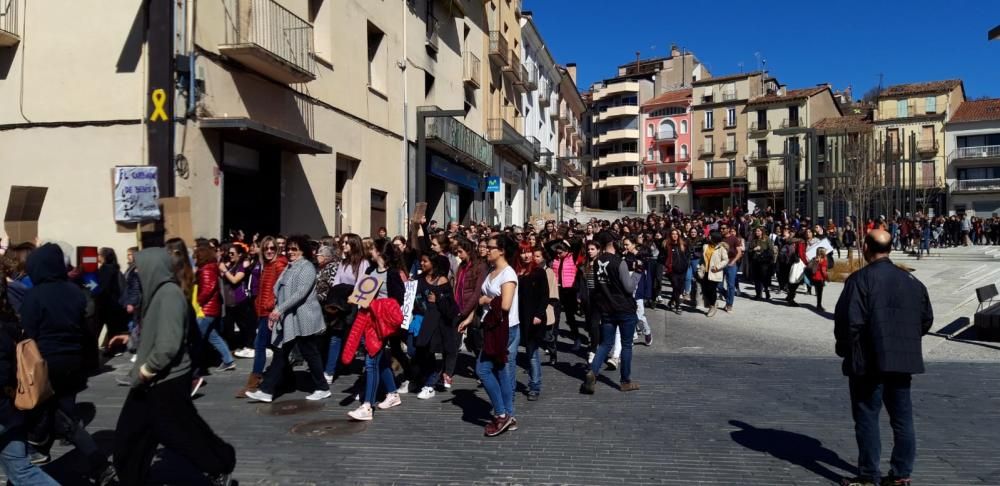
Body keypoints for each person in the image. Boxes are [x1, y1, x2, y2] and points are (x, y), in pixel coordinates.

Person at [112, 248, 236, 486]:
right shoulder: (158, 293)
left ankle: (219, 465)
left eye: (140, 266)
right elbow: (158, 332)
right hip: (155, 381)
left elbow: (168, 345)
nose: (136, 270)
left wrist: (147, 370)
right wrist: (130, 340)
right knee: (136, 434)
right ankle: (133, 476)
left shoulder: (168, 295)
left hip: (163, 380)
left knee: (179, 434)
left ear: (153, 267)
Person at [834, 229, 933, 486]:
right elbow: (925, 320)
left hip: (868, 361)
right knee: (902, 419)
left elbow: (848, 323)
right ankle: (901, 474)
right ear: (890, 248)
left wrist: (846, 349)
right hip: (902, 361)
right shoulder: (912, 281)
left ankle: (869, 476)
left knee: (867, 416)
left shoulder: (860, 280)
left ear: (866, 247)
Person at [19, 244, 108, 477]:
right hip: (74, 360)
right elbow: (86, 325)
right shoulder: (74, 291)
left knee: (54, 415)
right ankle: (43, 450)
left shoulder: (35, 295)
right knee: (59, 412)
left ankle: (95, 462)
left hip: (46, 362)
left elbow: (28, 332)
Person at [246, 236, 330, 403]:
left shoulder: (306, 267)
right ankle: (267, 390)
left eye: (294, 249)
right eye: (289, 249)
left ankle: (322, 387)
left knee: (309, 352)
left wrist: (278, 310)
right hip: (290, 318)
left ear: (302, 250)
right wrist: (275, 310)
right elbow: (278, 289)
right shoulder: (290, 267)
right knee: (281, 352)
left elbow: (299, 293)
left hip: (304, 317)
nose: (290, 252)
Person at [0, 269, 59, 485]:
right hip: (10, 411)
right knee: (23, 472)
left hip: (4, 409)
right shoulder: (10, 321)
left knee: (22, 472)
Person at [460, 234, 520, 437]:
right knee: (501, 370)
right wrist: (470, 318)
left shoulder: (508, 274)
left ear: (501, 250)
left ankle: (502, 413)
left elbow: (505, 305)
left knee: (483, 370)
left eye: (490, 247)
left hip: (504, 329)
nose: (486, 250)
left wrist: (487, 300)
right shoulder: (492, 271)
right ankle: (508, 415)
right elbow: (481, 297)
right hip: (491, 327)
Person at [581, 231, 640, 394]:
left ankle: (593, 371)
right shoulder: (618, 262)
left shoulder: (596, 261)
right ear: (613, 243)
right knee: (627, 345)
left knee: (605, 344)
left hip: (606, 308)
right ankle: (625, 381)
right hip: (624, 307)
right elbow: (629, 287)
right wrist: (637, 274)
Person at [324, 234, 369, 384]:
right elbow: (337, 281)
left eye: (346, 243)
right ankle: (329, 371)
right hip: (341, 303)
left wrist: (354, 300)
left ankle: (369, 367)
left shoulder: (363, 263)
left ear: (354, 244)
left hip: (355, 304)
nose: (343, 245)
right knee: (336, 336)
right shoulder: (343, 263)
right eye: (342, 242)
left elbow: (361, 283)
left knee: (361, 337)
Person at [411, 254, 456, 399]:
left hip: (437, 324)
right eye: (421, 261)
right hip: (420, 322)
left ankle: (430, 385)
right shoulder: (419, 279)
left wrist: (438, 299)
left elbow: (449, 307)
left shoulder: (442, 281)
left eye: (425, 261)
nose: (422, 263)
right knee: (416, 351)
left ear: (434, 264)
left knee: (435, 353)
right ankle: (420, 379)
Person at [193, 245, 236, 373]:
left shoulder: (206, 270)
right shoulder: (210, 269)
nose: (194, 258)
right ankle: (228, 360)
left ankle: (194, 367)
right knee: (213, 336)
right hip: (211, 309)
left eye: (196, 256)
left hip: (205, 310)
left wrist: (198, 302)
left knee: (196, 339)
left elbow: (207, 289)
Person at [515, 242, 548, 401]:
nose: (526, 255)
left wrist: (539, 315)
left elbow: (544, 296)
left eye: (528, 252)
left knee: (532, 353)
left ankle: (534, 385)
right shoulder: (515, 272)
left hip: (533, 319)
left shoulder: (538, 272)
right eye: (522, 252)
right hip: (517, 318)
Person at [220, 244, 255, 361]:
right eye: (228, 253)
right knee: (228, 326)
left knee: (244, 325)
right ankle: (234, 346)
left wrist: (225, 270)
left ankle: (249, 346)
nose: (230, 255)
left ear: (239, 254)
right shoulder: (231, 265)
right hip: (229, 302)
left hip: (240, 300)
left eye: (232, 253)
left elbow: (235, 280)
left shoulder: (241, 266)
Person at [699, 231, 728, 317]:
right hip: (705, 272)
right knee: (705, 290)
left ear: (715, 238)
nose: (708, 237)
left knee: (711, 290)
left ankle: (712, 306)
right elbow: (702, 259)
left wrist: (717, 267)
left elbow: (725, 260)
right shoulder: (705, 246)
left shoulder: (721, 248)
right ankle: (714, 302)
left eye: (710, 236)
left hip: (714, 272)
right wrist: (699, 268)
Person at [748, 227, 774, 301]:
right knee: (756, 279)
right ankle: (758, 294)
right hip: (755, 261)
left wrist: (761, 250)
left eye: (758, 231)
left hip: (764, 262)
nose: (757, 232)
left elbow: (771, 250)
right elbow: (749, 251)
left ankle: (766, 291)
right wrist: (754, 249)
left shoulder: (767, 239)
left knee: (764, 278)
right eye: (756, 231)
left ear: (762, 232)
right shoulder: (753, 240)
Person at [811, 247, 829, 312]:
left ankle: (818, 305)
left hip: (814, 277)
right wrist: (827, 278)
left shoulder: (814, 259)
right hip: (820, 278)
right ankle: (819, 306)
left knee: (817, 292)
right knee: (820, 293)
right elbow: (823, 271)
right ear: (822, 252)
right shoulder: (823, 260)